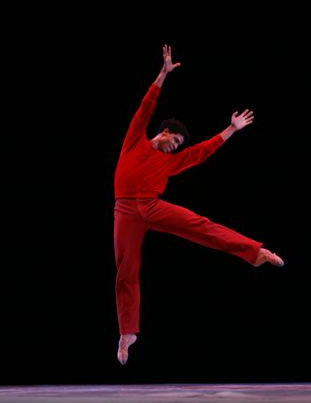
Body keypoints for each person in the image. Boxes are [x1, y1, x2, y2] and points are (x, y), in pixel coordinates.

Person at [113, 44, 284, 365]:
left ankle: (255, 252)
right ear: (164, 133)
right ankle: (127, 334)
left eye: (177, 147)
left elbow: (203, 151)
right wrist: (163, 74)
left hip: (151, 207)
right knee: (126, 271)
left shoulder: (171, 162)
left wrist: (231, 129)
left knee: (201, 226)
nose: (173, 149)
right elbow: (146, 106)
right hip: (124, 211)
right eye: (173, 143)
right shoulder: (135, 140)